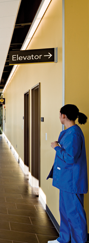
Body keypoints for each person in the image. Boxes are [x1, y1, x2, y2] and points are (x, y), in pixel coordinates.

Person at [47, 104, 88, 243]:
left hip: (72, 181)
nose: (59, 117)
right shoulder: (69, 131)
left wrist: (56, 148)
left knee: (75, 214)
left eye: (59, 115)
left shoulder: (74, 133)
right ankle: (64, 239)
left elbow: (71, 157)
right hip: (66, 180)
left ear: (64, 116)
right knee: (64, 211)